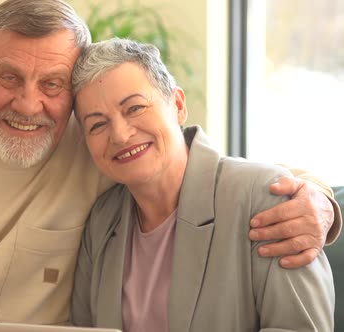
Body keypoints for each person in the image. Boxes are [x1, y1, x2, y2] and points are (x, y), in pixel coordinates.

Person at [0, 1, 340, 331]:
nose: (29, 104)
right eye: (9, 77)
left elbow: (201, 166)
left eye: (53, 85)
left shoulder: (98, 146)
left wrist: (318, 199)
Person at [70, 38, 335, 331]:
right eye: (97, 124)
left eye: (134, 108)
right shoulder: (101, 222)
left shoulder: (267, 200)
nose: (119, 135)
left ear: (178, 105)